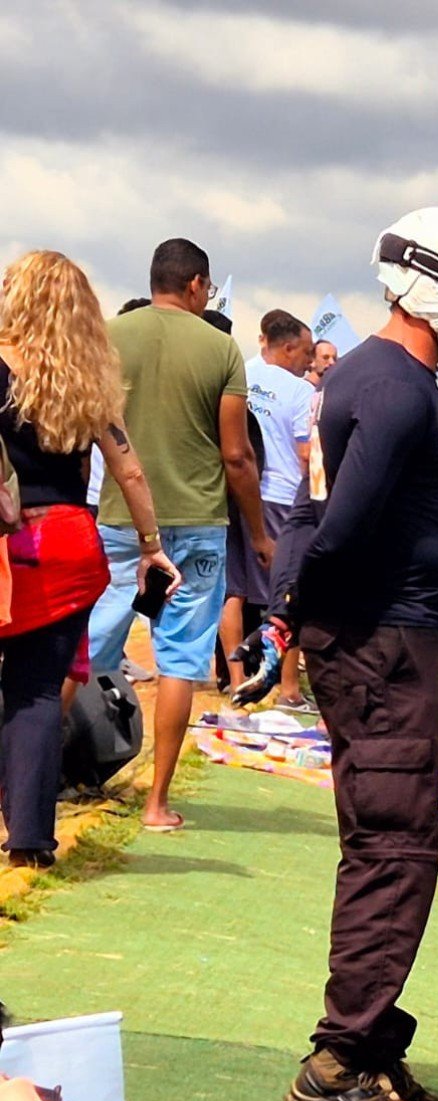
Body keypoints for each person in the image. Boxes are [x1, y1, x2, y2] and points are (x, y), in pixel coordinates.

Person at [282, 206, 438, 1101]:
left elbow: (364, 517)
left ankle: (371, 1041)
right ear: (436, 283)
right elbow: (342, 529)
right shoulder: (393, 390)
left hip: (385, 635)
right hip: (382, 644)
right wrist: (309, 616)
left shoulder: (393, 380)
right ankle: (339, 1062)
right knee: (392, 850)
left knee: (395, 845)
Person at [0, 251, 181, 866]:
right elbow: (128, 470)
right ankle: (29, 840)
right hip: (74, 545)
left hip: (11, 546)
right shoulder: (88, 381)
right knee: (37, 694)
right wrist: (153, 549)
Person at [88, 237, 269, 834]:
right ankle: (156, 802)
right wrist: (260, 532)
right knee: (180, 662)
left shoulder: (112, 339)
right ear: (196, 285)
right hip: (196, 523)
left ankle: (42, 778)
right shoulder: (222, 348)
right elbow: (237, 456)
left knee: (86, 649)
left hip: (119, 515)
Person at [224, 309, 314, 703]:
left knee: (234, 591)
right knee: (289, 594)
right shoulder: (300, 391)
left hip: (235, 492)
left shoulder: (240, 372)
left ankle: (233, 676)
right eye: (307, 352)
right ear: (289, 346)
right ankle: (289, 689)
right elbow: (305, 453)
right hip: (280, 496)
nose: (309, 361)